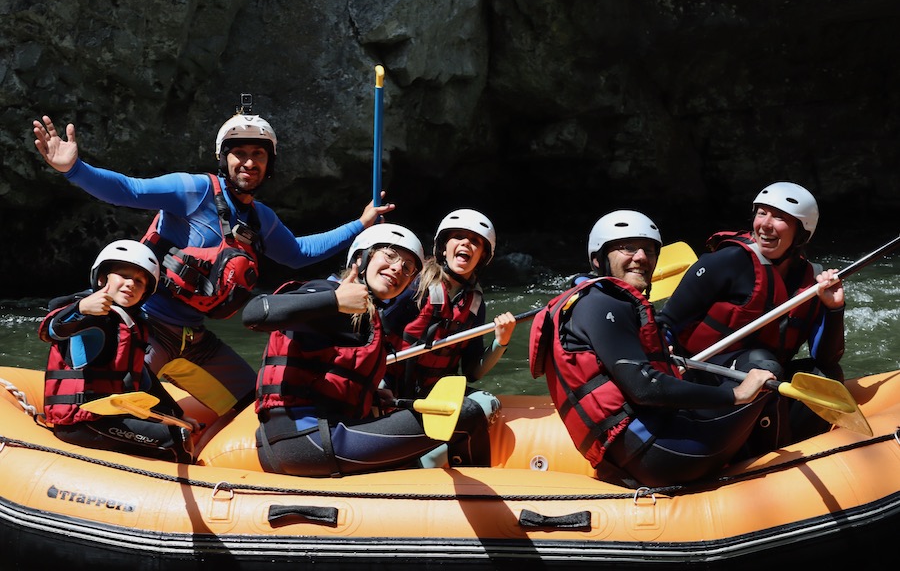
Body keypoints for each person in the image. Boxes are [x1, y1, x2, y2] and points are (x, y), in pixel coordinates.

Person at [32, 105, 392, 419]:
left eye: (259, 155)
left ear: (270, 165)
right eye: (240, 153)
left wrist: (360, 224)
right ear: (224, 158)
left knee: (252, 403)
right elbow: (129, 190)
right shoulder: (192, 189)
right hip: (147, 329)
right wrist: (74, 169)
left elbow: (299, 254)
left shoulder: (260, 219)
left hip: (196, 339)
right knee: (125, 405)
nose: (249, 162)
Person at [529, 210, 776, 488]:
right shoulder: (604, 303)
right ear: (599, 259)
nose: (642, 258)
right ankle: (772, 473)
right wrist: (737, 394)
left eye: (649, 250)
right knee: (765, 377)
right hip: (665, 456)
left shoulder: (587, 301)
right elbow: (645, 389)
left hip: (632, 453)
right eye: (628, 248)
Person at [243, 223, 492, 477]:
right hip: (307, 440)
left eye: (408, 267)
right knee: (466, 413)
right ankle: (486, 502)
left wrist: (371, 395)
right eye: (390, 255)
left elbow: (332, 375)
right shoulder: (326, 292)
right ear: (361, 257)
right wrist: (335, 301)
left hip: (309, 440)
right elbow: (254, 313)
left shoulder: (367, 318)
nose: (398, 268)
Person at [658, 181, 845, 452]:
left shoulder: (811, 282)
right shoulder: (725, 262)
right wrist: (662, 356)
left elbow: (827, 358)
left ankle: (793, 449)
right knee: (762, 364)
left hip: (760, 378)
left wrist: (834, 309)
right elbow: (666, 323)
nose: (765, 224)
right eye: (761, 213)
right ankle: (761, 457)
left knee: (826, 376)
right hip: (700, 378)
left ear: (801, 233)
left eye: (779, 217)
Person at [39, 240, 195, 463]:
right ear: (102, 279)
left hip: (112, 417)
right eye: (123, 275)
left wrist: (177, 415)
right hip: (82, 423)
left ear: (145, 293)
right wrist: (80, 309)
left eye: (140, 281)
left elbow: (144, 378)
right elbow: (51, 330)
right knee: (177, 439)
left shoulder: (131, 325)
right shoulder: (90, 316)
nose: (131, 283)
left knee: (177, 426)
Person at [381, 209, 516, 467]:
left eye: (474, 241)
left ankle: (420, 466)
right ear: (444, 248)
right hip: (393, 391)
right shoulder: (414, 285)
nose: (466, 243)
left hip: (435, 394)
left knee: (488, 404)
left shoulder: (474, 303)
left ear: (482, 257)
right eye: (458, 237)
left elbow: (473, 371)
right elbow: (376, 333)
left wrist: (501, 341)